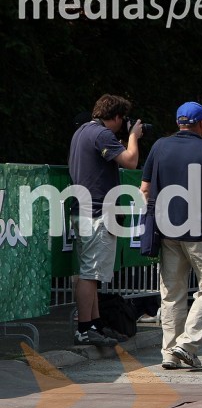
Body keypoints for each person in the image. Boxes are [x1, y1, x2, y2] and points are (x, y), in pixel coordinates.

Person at [140, 102, 202, 369]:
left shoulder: (159, 146)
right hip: (199, 231)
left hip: (166, 229)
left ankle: (169, 353)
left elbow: (144, 189)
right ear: (201, 124)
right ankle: (187, 345)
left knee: (171, 293)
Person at [68, 94, 144, 347]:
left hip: (84, 209)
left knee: (92, 273)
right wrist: (133, 137)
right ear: (118, 117)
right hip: (97, 212)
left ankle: (96, 324)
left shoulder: (82, 132)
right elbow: (131, 162)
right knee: (90, 274)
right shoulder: (101, 135)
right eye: (124, 120)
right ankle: (84, 328)